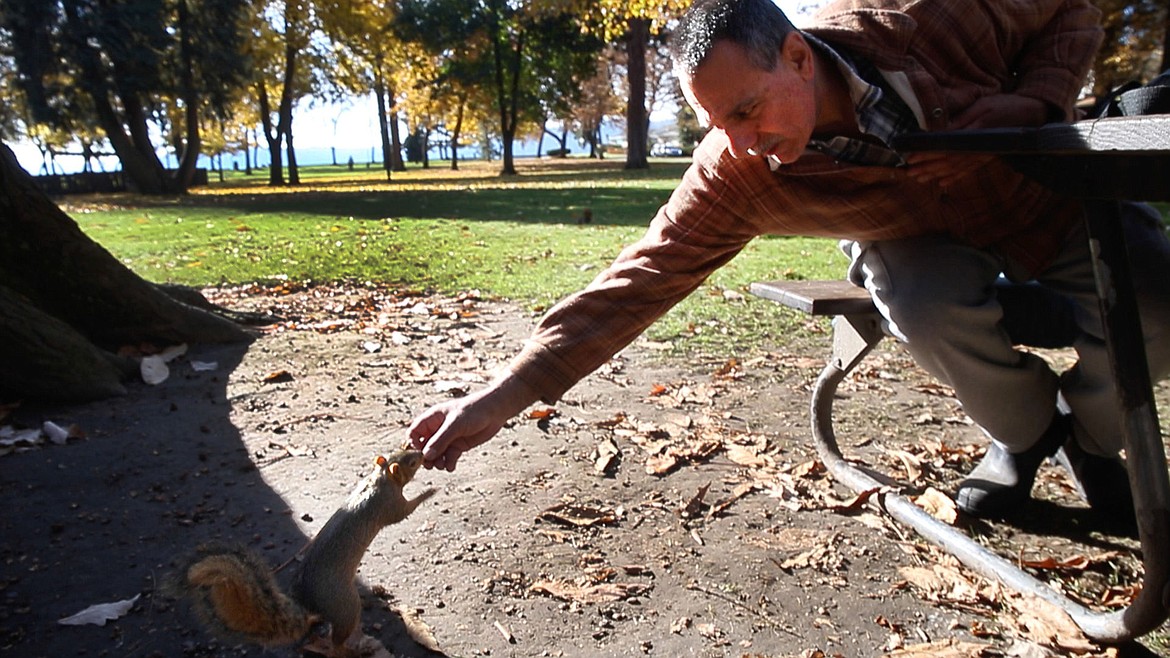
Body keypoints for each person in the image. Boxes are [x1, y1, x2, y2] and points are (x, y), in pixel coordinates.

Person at [409, 0, 1170, 530]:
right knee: (920, 300)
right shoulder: (735, 170)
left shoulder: (927, 16)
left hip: (1043, 196)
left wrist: (1035, 105)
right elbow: (634, 284)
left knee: (1160, 300)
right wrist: (496, 398)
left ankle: (1095, 440)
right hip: (909, 239)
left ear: (799, 57)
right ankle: (1027, 430)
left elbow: (1072, 11)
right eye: (715, 123)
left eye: (746, 111)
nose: (738, 143)